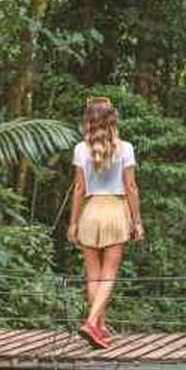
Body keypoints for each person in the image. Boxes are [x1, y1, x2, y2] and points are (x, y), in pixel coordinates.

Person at [66, 96, 144, 348]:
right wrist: (137, 221)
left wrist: (73, 223)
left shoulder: (80, 149)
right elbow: (131, 187)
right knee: (109, 274)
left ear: (88, 122)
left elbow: (78, 188)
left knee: (94, 275)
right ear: (113, 121)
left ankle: (99, 328)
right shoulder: (126, 148)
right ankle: (91, 323)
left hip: (89, 212)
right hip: (115, 212)